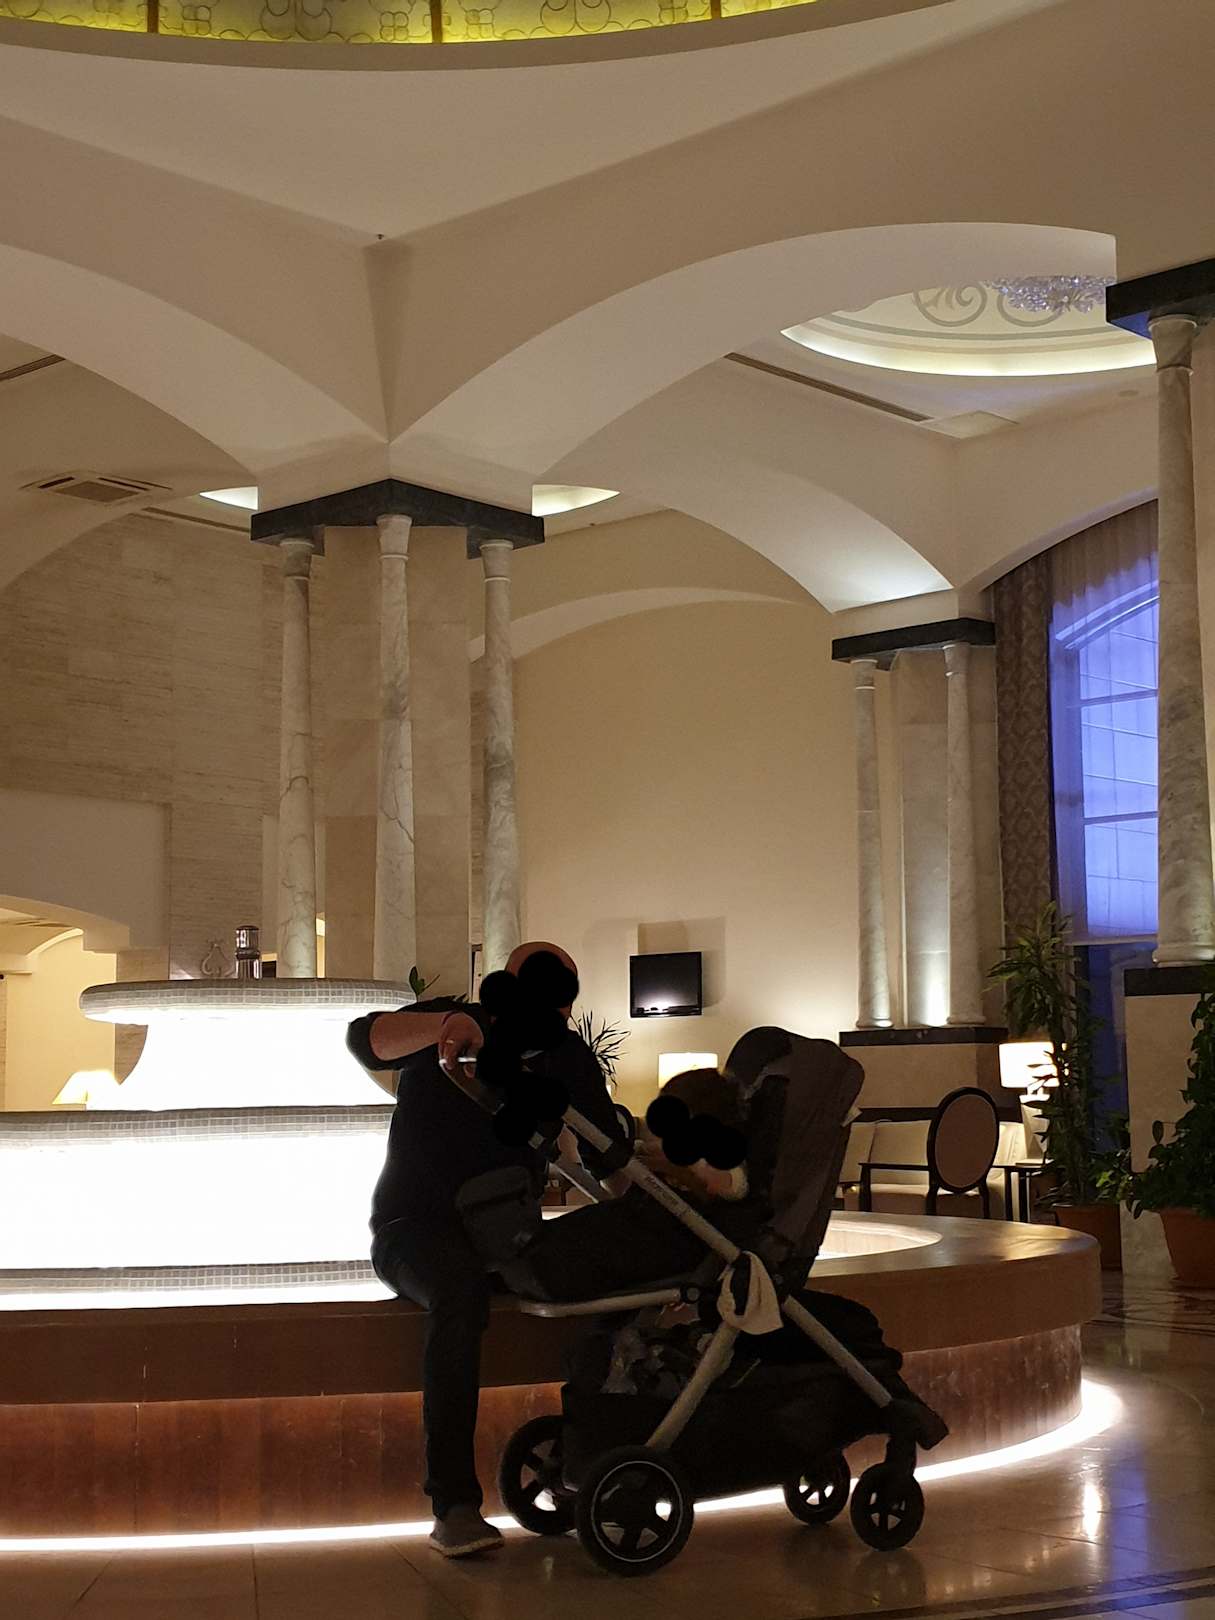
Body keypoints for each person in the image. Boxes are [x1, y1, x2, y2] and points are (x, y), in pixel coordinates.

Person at [346, 942, 626, 1560]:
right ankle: (453, 1505)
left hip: (506, 1237)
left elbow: (608, 1153)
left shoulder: (567, 1057)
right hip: (413, 1231)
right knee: (459, 1291)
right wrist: (447, 1027)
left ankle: (591, 1454)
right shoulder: (452, 1023)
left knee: (615, 1279)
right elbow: (365, 1039)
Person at [507, 1065, 767, 1304]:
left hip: (676, 1236)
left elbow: (730, 1187)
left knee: (605, 1241)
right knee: (593, 1224)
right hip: (646, 1218)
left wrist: (683, 1166)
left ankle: (539, 1265)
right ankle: (529, 1256)